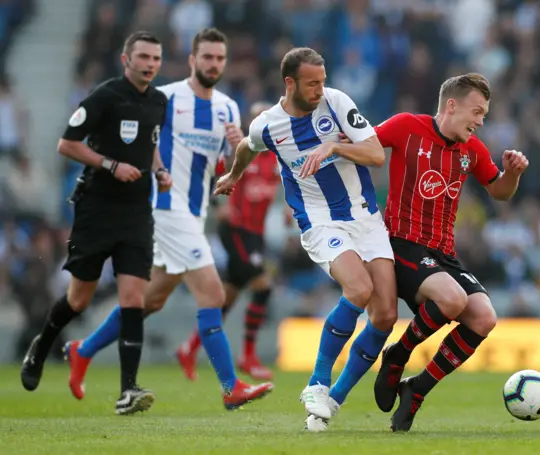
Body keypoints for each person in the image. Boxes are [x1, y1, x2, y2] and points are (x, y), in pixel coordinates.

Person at [62, 28, 274, 411]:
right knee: (212, 293)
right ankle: (231, 388)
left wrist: (236, 145)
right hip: (164, 207)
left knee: (151, 299)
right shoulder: (167, 98)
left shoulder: (227, 107)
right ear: (192, 60)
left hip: (194, 212)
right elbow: (145, 143)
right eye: (206, 57)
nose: (213, 64)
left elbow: (225, 165)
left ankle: (83, 350)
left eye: (219, 58)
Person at [215, 47, 398, 431]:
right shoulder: (269, 124)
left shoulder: (336, 103)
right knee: (359, 289)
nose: (319, 89)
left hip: (366, 218)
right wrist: (234, 176)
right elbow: (248, 146)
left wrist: (333, 145)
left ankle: (331, 401)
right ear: (290, 83)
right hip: (320, 221)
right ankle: (317, 381)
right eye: (312, 83)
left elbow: (375, 154)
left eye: (322, 80)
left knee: (385, 315)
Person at [20, 31, 172, 416]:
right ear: (126, 60)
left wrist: (160, 169)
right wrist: (109, 165)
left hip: (137, 212)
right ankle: (42, 345)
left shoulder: (158, 101)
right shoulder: (106, 95)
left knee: (134, 298)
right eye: (143, 57)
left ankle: (128, 391)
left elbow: (149, 142)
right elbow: (66, 144)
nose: (150, 64)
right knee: (79, 299)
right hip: (97, 208)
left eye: (156, 58)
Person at [371, 73, 529, 431]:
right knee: (453, 300)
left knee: (484, 318)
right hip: (402, 243)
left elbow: (499, 191)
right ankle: (398, 354)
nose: (480, 121)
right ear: (451, 106)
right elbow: (366, 146)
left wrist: (513, 173)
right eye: (477, 111)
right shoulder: (405, 126)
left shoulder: (471, 150)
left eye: (484, 115)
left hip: (442, 255)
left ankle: (417, 389)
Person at [176, 101, 281, 381]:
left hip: (255, 234)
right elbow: (212, 172)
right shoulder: (243, 151)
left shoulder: (276, 158)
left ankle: (189, 348)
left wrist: (289, 212)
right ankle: (247, 355)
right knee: (263, 285)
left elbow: (285, 187)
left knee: (227, 297)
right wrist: (218, 202)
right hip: (235, 228)